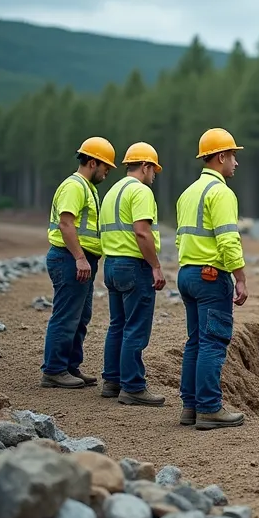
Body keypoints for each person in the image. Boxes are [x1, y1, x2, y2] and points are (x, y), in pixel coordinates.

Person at [173, 128, 249, 429]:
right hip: (210, 276)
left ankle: (190, 407)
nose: (236, 163)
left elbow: (182, 239)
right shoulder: (221, 193)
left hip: (188, 273)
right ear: (220, 157)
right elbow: (228, 240)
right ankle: (208, 408)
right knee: (213, 342)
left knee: (195, 341)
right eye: (233, 156)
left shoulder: (187, 193)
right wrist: (240, 278)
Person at [41, 136, 116, 389]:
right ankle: (54, 370)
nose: (107, 172)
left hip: (77, 260)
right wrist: (80, 258)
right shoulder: (75, 186)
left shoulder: (88, 188)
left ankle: (70, 366)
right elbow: (66, 223)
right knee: (66, 315)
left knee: (80, 315)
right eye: (106, 167)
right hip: (69, 259)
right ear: (93, 162)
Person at [97, 141, 167, 406]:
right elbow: (141, 231)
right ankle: (133, 387)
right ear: (146, 166)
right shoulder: (140, 191)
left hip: (112, 263)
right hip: (133, 265)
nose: (154, 177)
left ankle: (112, 381)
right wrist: (156, 265)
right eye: (154, 171)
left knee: (118, 325)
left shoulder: (113, 190)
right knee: (136, 328)